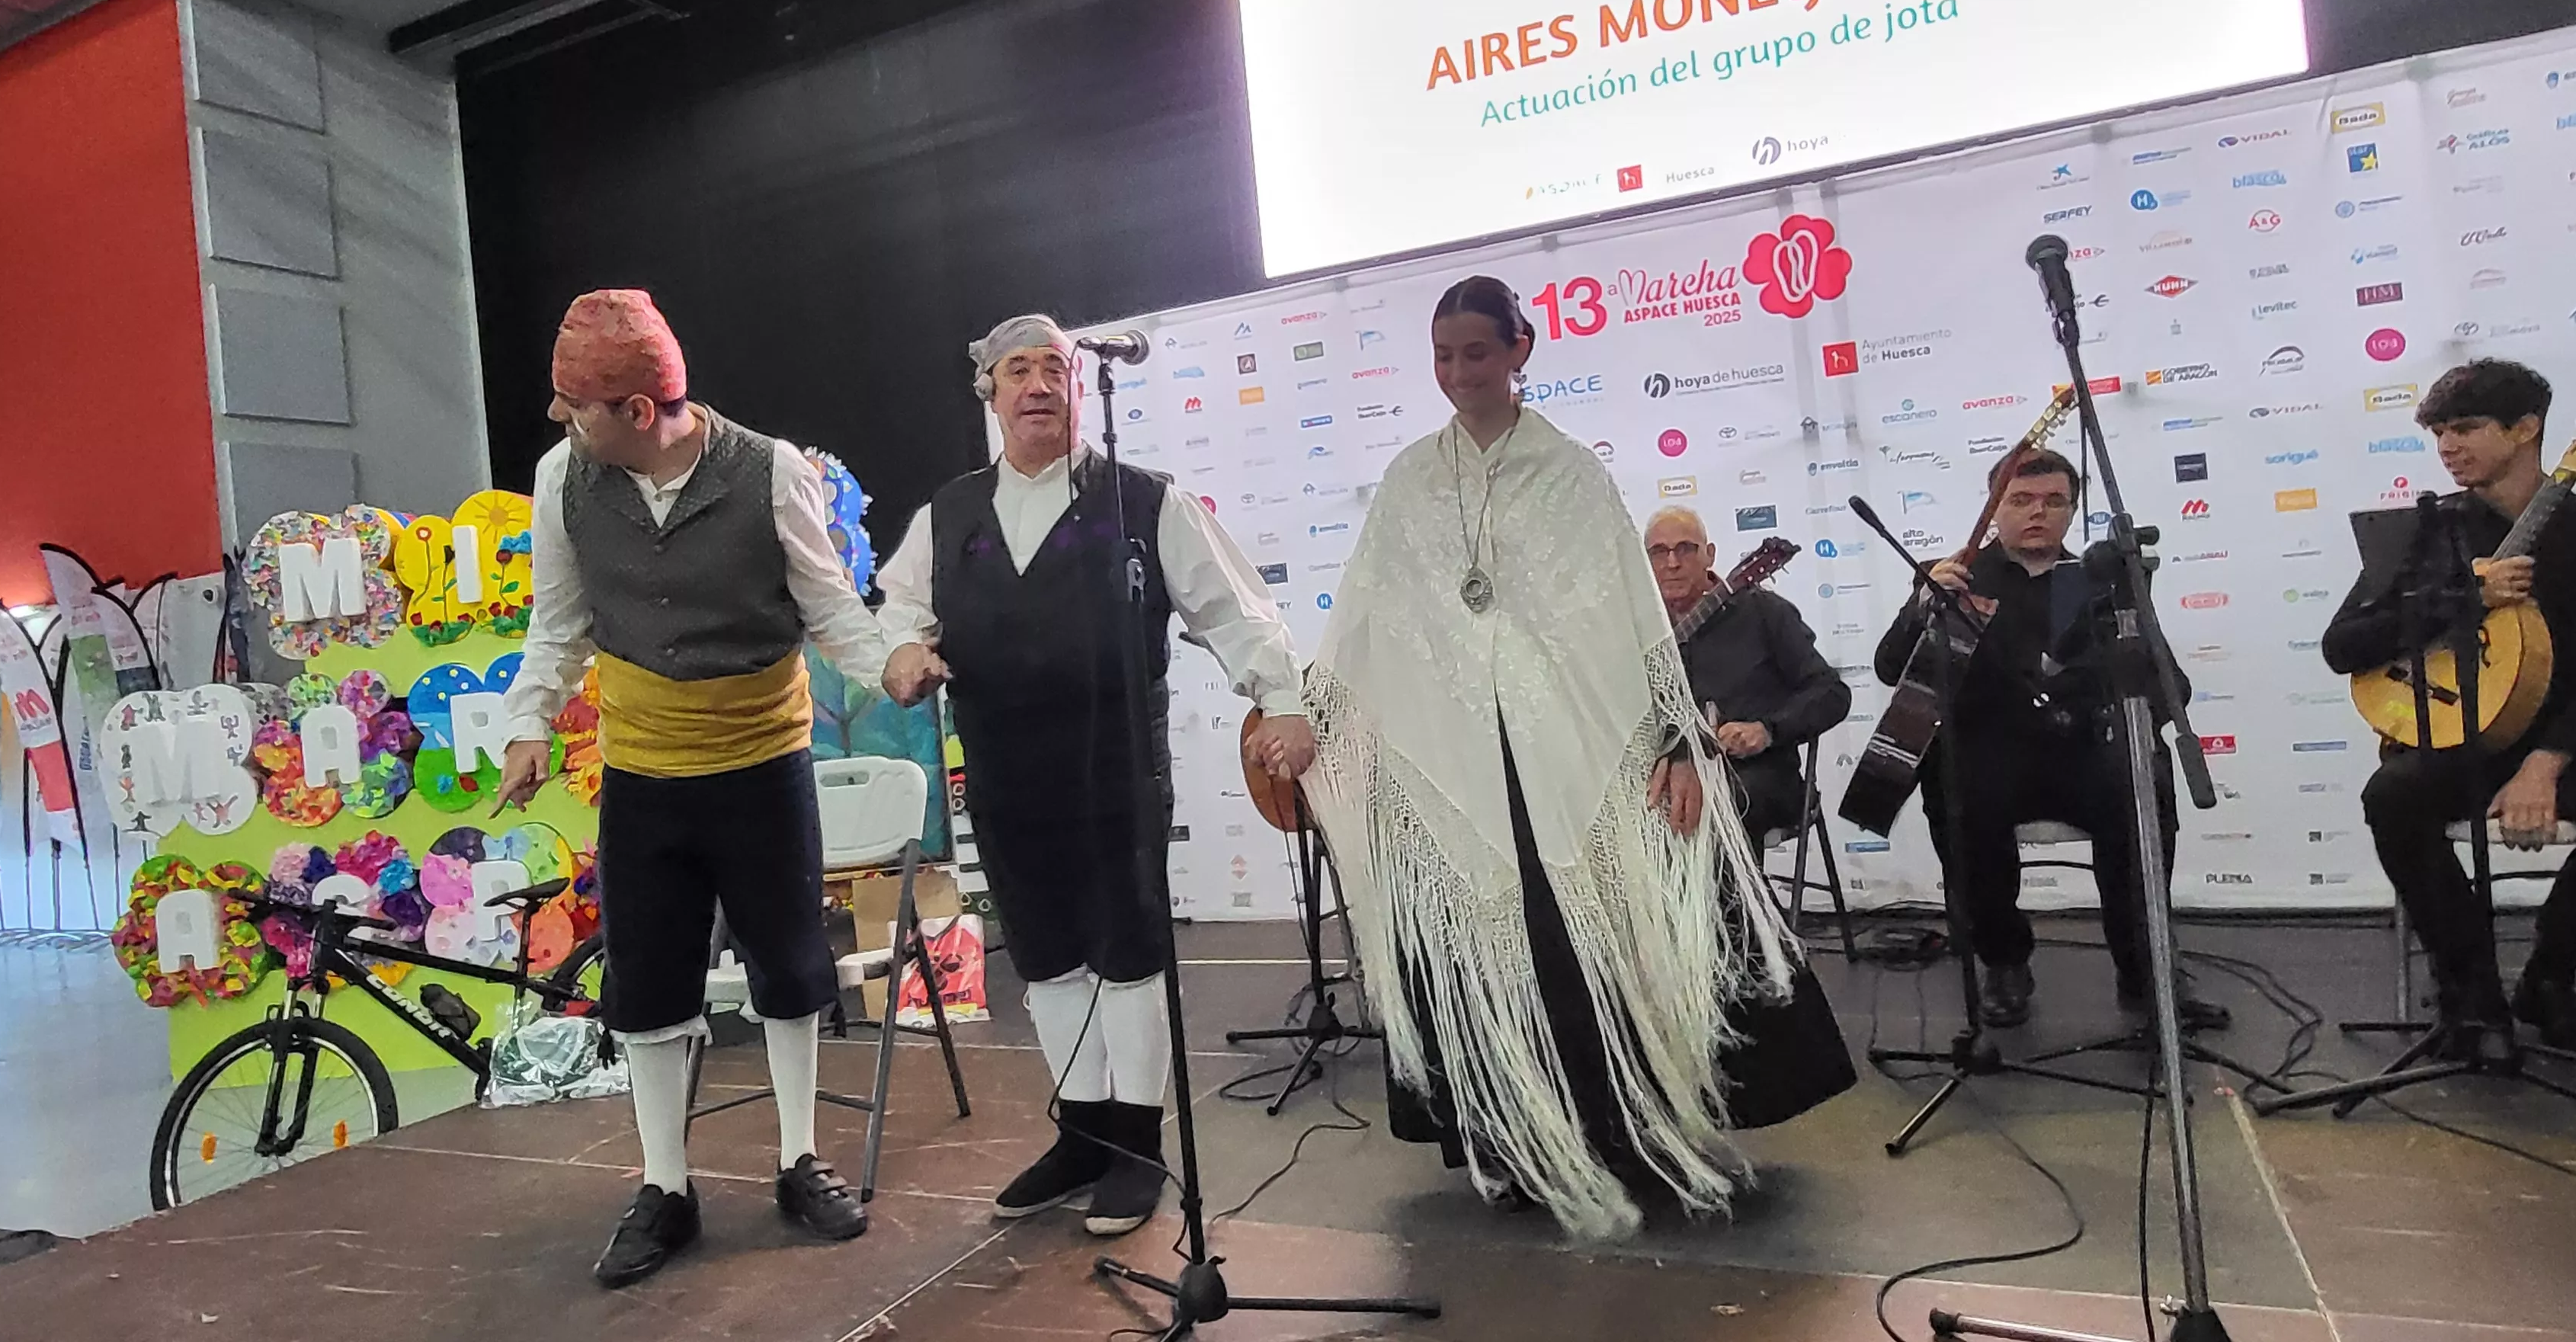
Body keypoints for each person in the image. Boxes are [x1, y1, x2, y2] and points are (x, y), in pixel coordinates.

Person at [1299, 276, 1852, 1241]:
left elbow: (1633, 628)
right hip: (1457, 753)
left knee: (1586, 936)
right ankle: (1509, 1135)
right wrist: (1309, 715)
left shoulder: (1571, 476)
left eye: (1478, 351)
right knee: (1478, 945)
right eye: (1443, 355)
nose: (1460, 372)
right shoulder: (1408, 482)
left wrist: (1679, 737)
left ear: (1522, 348)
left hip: (1574, 747)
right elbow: (1367, 620)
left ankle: (1616, 1126)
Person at [875, 314, 1313, 1238]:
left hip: (1114, 765)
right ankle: (1080, 1131)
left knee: (1125, 951)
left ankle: (1136, 1144)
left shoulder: (1145, 500)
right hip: (1003, 767)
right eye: (1016, 371)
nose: (1037, 385)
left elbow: (1235, 614)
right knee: (1045, 954)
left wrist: (1279, 698)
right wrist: (906, 649)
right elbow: (900, 606)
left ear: (1081, 387)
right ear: (988, 394)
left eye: (1054, 369)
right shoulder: (947, 513)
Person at [493, 290, 892, 1288]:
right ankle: (665, 1186)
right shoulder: (563, 480)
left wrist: (894, 666)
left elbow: (830, 608)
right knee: (649, 983)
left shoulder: (771, 472)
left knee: (792, 966)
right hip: (646, 771)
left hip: (761, 762)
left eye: (575, 404)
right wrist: (527, 727)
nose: (561, 423)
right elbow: (560, 623)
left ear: (637, 408)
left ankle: (801, 1159)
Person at [2321, 359, 2576, 1061]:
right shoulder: (2424, 534)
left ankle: (2550, 978)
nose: (2448, 446)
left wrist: (2547, 763)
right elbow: (2344, 645)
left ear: (2526, 428)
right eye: (2439, 433)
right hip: (2469, 731)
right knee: (2394, 796)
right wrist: (2462, 597)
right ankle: (2472, 997)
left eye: (2466, 429)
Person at [1870, 447, 2225, 1033]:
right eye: (2021, 500)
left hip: (2084, 750)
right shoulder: (1955, 577)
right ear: (1995, 506)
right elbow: (1890, 669)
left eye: (2054, 501)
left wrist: (2124, 710)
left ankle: (2146, 970)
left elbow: (2169, 682)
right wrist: (1922, 606)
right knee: (1959, 796)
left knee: (2142, 784)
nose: (2038, 512)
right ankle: (2004, 961)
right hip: (1991, 754)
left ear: (2072, 511)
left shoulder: (2100, 581)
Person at [1645, 505, 1849, 840]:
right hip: (1674, 770)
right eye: (1659, 552)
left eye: (1685, 548)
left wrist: (1767, 730)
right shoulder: (1642, 632)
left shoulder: (1764, 613)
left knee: (1716, 803)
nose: (1672, 563)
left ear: (1709, 555)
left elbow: (1831, 694)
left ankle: (1730, 895)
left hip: (1761, 776)